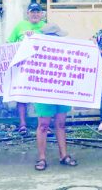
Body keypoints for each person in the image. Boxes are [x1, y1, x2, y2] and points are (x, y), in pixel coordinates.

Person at [34, 23, 78, 171]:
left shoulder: (65, 51)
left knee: (61, 124)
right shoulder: (35, 51)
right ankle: (41, 157)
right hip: (43, 92)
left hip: (62, 91)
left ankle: (63, 155)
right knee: (43, 125)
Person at [8, 2, 47, 135]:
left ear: (41, 14)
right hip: (23, 67)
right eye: (32, 12)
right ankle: (23, 124)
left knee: (41, 96)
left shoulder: (46, 27)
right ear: (28, 13)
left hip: (40, 67)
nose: (35, 14)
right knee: (21, 94)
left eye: (38, 12)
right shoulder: (20, 26)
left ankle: (43, 125)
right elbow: (9, 44)